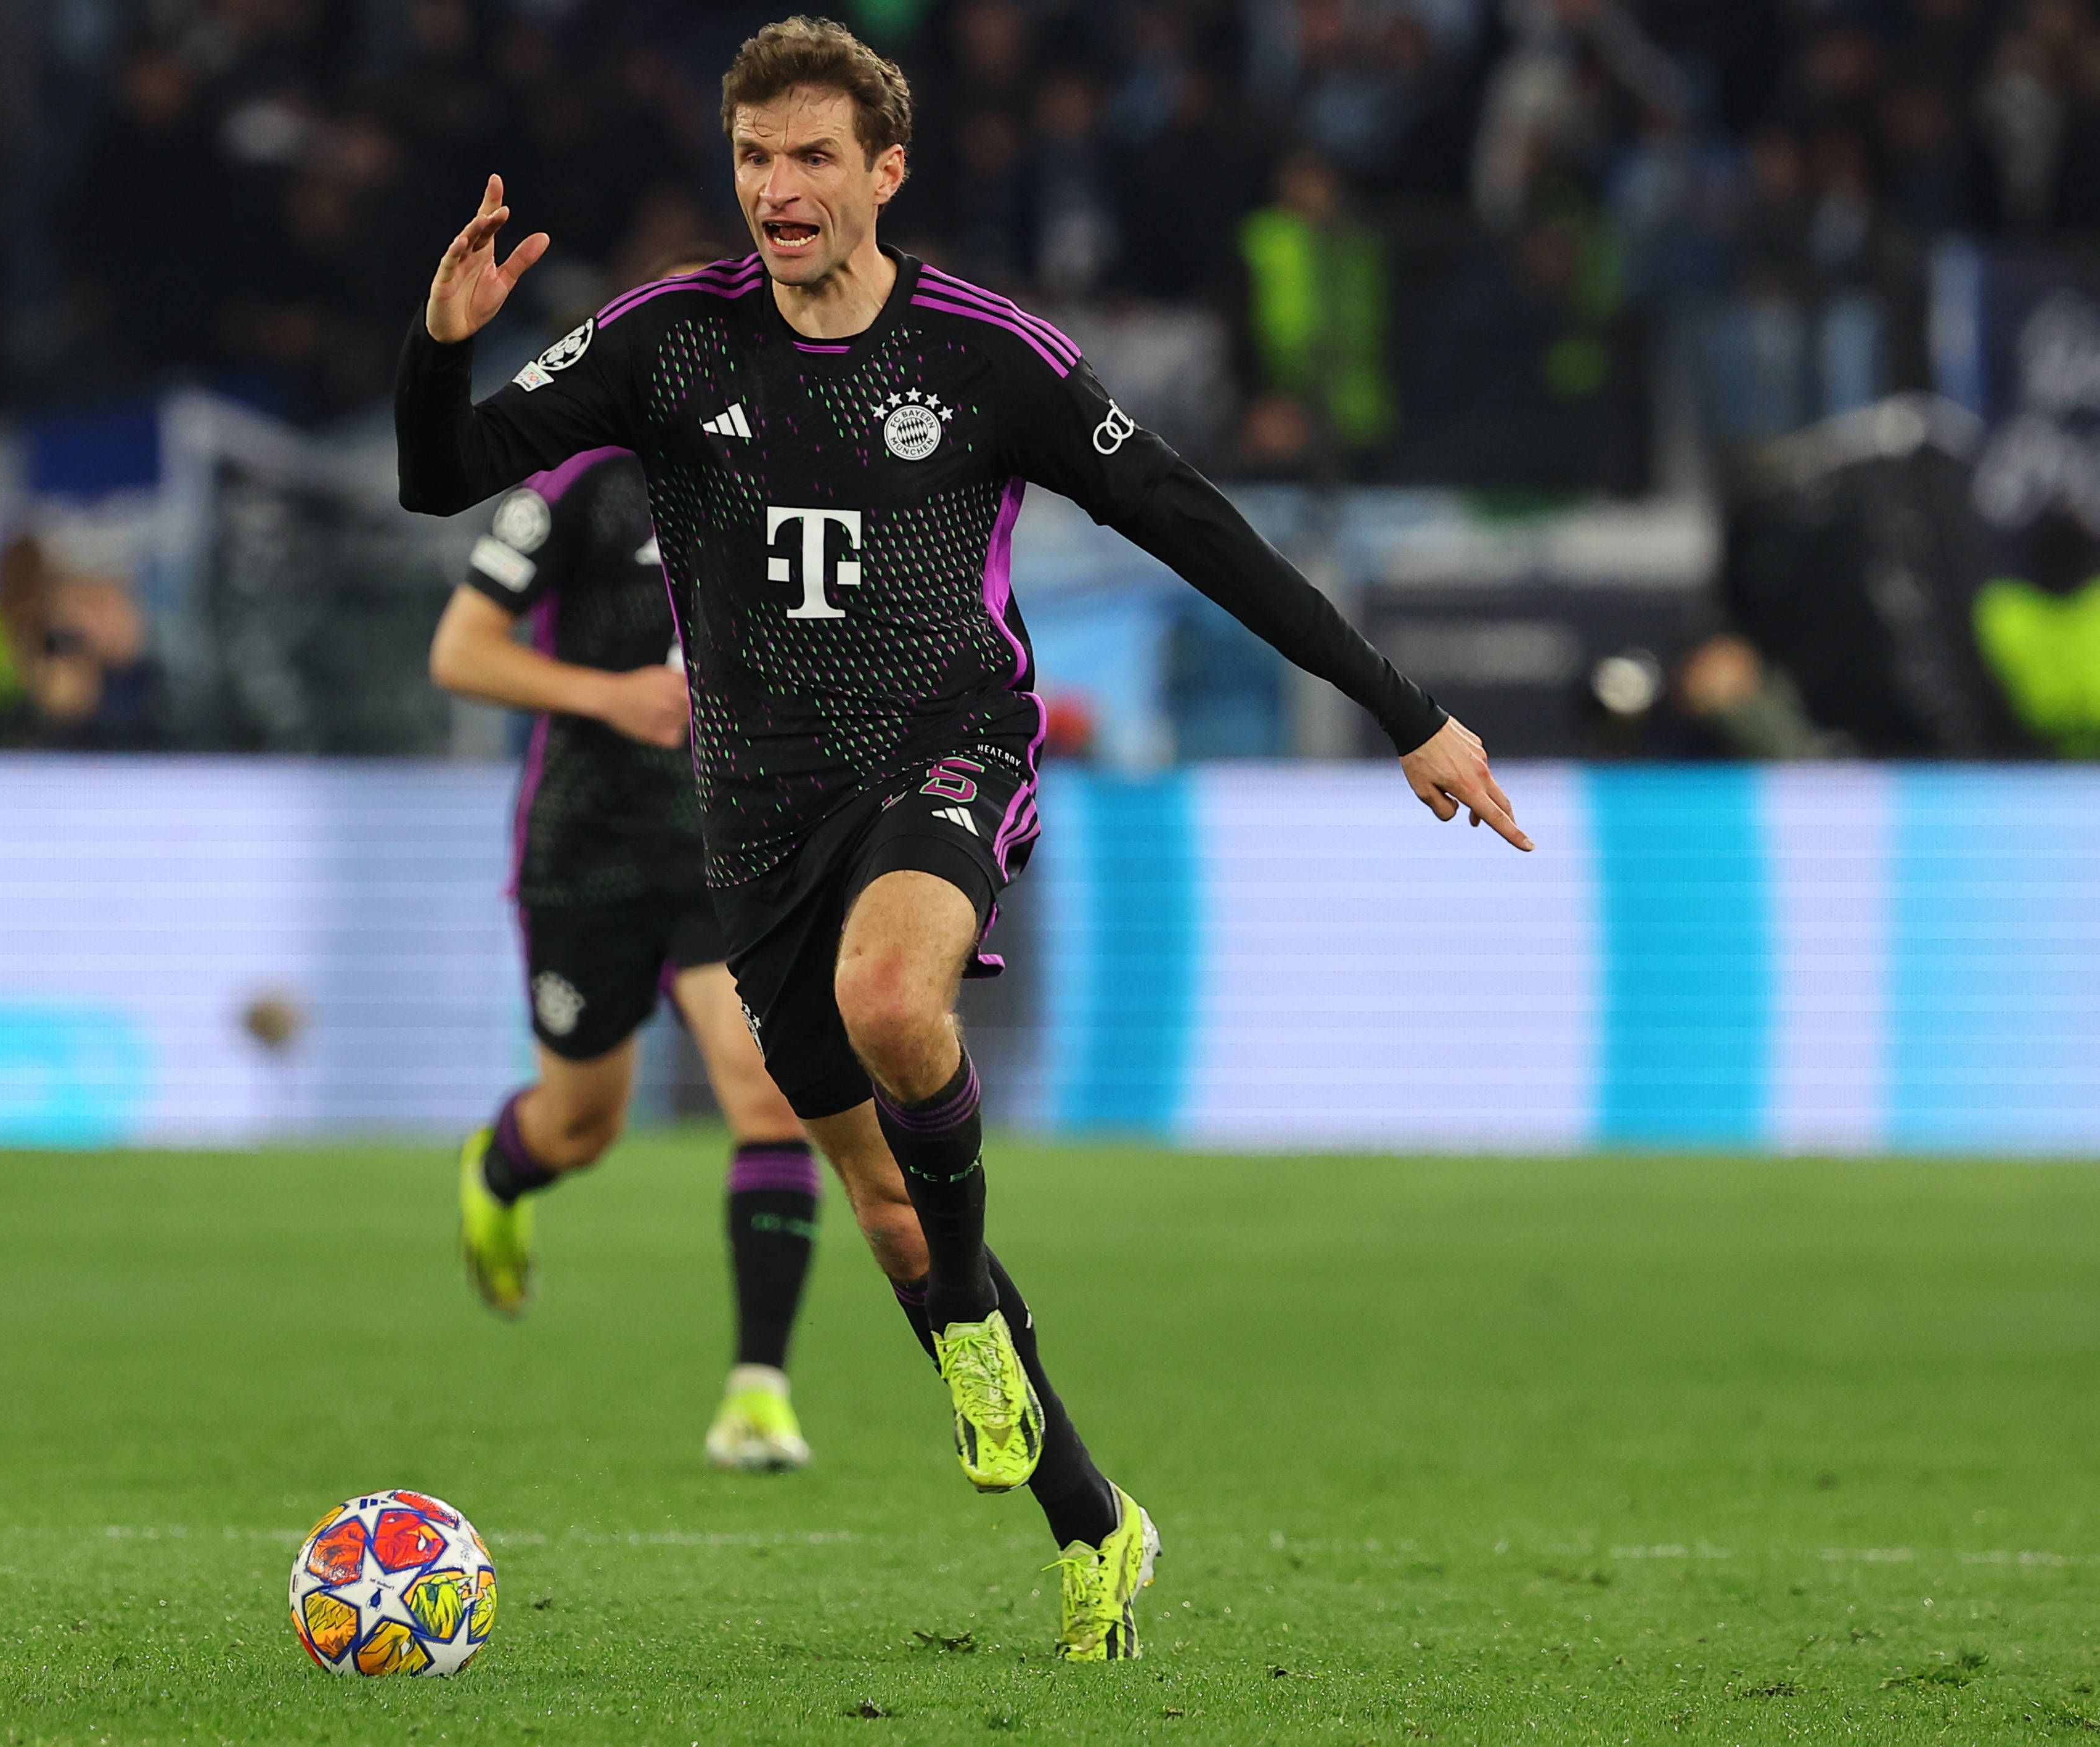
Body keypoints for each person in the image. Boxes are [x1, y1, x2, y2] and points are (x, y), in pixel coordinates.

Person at [395, 15, 1528, 1663]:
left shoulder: (983, 356)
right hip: (757, 816)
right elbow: (440, 477)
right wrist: (440, 345)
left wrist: (1400, 708)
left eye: (811, 157)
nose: (778, 188)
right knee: (889, 1219)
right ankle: (1095, 1518)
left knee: (893, 1001)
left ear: (886, 170)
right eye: (753, 157)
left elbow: (1191, 524)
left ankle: (974, 1322)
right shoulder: (665, 341)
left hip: (946, 748)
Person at [428, 251, 824, 1472]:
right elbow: (461, 652)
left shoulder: (788, 479)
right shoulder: (577, 485)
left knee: (769, 1095)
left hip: (725, 842)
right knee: (581, 1126)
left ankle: (757, 1391)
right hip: (585, 845)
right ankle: (501, 1174)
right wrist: (609, 694)